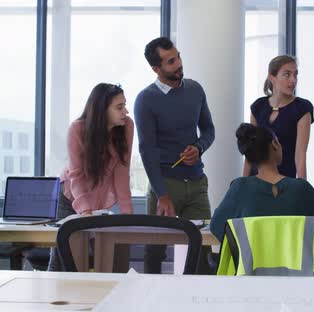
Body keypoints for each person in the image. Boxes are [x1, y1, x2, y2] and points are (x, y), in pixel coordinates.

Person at [134, 37, 215, 274]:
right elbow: (147, 150)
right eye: (171, 61)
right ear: (156, 69)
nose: (178, 63)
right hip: (165, 185)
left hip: (197, 184)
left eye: (178, 56)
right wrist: (162, 195)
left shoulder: (195, 89)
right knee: (155, 251)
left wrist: (198, 148)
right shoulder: (146, 100)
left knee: (202, 249)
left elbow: (209, 130)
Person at [47, 83, 134, 271]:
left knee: (103, 257)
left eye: (125, 105)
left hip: (96, 200)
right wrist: (86, 214)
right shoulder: (77, 129)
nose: (125, 111)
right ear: (102, 110)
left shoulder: (126, 126)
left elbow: (122, 173)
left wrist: (128, 217)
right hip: (69, 197)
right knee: (63, 258)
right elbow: (76, 175)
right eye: (119, 107)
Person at [211, 123, 314, 241]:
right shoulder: (301, 188)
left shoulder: (239, 189)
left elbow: (216, 226)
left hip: (251, 266)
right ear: (274, 144)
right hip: (299, 266)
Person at [244, 55, 313, 179]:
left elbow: (300, 155)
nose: (293, 80)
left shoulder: (302, 108)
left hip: (284, 182)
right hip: (257, 181)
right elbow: (250, 151)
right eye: (287, 74)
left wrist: (303, 188)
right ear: (272, 77)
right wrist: (242, 184)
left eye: (295, 74)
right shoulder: (258, 107)